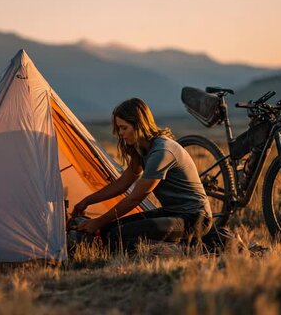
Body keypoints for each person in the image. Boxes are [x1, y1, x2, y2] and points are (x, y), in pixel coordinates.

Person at [72, 98, 212, 252]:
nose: (121, 134)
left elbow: (135, 197)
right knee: (107, 231)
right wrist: (87, 201)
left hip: (195, 219)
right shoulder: (142, 149)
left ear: (139, 125)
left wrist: (97, 222)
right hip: (171, 212)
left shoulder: (161, 151)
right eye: (119, 129)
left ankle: (190, 249)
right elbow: (122, 184)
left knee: (116, 236)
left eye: (124, 128)